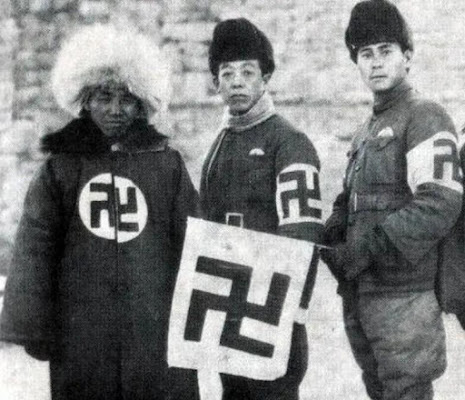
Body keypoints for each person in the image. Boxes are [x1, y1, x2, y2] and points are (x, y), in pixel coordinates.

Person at [0, 24, 199, 400]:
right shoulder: (61, 169)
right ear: (84, 100)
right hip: (82, 337)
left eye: (127, 99)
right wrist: (30, 326)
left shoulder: (166, 166)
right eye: (103, 97)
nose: (115, 109)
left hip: (154, 334)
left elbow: (193, 242)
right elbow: (35, 248)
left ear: (143, 104)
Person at [321, 1, 463, 399]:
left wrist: (369, 247)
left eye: (386, 51)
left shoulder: (424, 116)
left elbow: (439, 202)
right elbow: (351, 199)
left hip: (405, 297)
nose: (376, 62)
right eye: (365, 54)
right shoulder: (366, 129)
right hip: (362, 294)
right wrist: (333, 229)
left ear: (408, 56)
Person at [200, 18, 324, 400]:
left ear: (265, 77)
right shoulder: (219, 143)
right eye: (227, 73)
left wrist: (289, 313)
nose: (236, 81)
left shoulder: (289, 142)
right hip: (230, 310)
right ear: (216, 81)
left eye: (247, 72)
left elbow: (303, 235)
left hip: (273, 312)